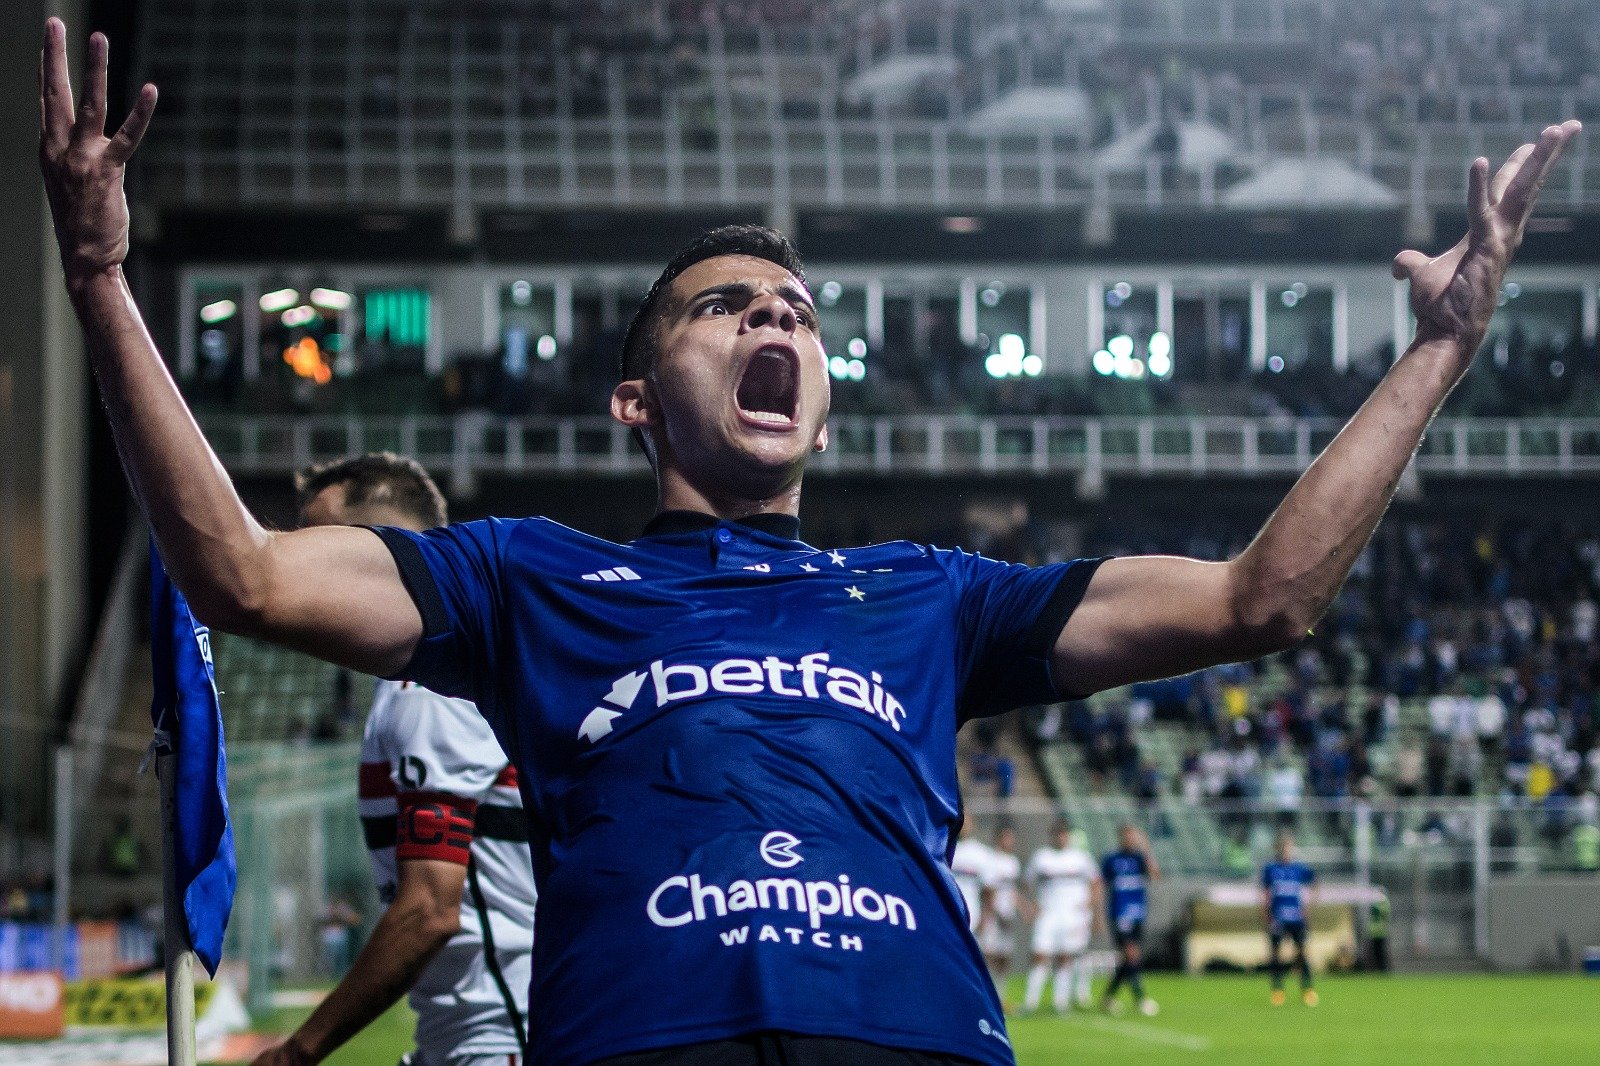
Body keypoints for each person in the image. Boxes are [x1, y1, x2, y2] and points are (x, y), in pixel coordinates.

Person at [37, 19, 1580, 1064]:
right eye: (728, 305)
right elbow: (236, 570)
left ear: (824, 406)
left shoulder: (932, 596)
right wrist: (106, 283)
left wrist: (1441, 349)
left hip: (911, 1035)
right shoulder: (529, 577)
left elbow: (1268, 596)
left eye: (796, 312)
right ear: (637, 400)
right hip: (645, 1037)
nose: (777, 316)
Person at [254, 454, 536, 1066]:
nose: (302, 562)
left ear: (386, 553)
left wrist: (300, 1050)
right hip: (471, 1032)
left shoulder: (434, 689)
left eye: (322, 542)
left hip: (502, 1036)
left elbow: (431, 909)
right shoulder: (425, 680)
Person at [1021, 819, 1101, 1014]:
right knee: (1040, 955)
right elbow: (1026, 883)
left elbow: (1097, 883)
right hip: (1048, 914)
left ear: (1068, 836)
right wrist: (1032, 905)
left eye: (1064, 834)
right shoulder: (1042, 857)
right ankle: (1030, 1002)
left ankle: (1060, 1002)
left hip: (1072, 915)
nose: (1061, 837)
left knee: (1065, 957)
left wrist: (1090, 905)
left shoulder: (1081, 858)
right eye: (1057, 834)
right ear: (1052, 836)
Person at [1099, 824, 1160, 1016]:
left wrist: (1147, 850)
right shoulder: (1112, 860)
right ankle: (1140, 999)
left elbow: (1155, 875)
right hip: (1119, 914)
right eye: (1127, 837)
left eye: (1133, 837)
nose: (1130, 840)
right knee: (1131, 955)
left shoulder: (1140, 858)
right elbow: (1101, 885)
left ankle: (1108, 997)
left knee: (1129, 959)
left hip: (1138, 914)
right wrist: (1098, 914)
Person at [1261, 832, 1318, 1007]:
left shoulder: (1298, 869)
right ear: (1279, 850)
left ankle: (1307, 989)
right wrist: (1266, 914)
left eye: (1290, 848)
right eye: (1285, 848)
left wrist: (1308, 907)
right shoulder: (1271, 869)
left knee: (1301, 953)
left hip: (1296, 918)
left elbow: (1315, 883)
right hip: (1278, 917)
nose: (1288, 852)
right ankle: (1278, 990)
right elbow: (1265, 893)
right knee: (1276, 954)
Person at [979, 825, 1025, 1002]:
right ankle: (986, 997)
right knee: (988, 955)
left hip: (1008, 917)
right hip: (993, 916)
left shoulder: (1013, 862)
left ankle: (1000, 997)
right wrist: (990, 915)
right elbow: (988, 891)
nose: (1010, 842)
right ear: (999, 839)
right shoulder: (991, 860)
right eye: (1007, 838)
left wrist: (1024, 909)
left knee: (1004, 959)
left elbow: (1012, 891)